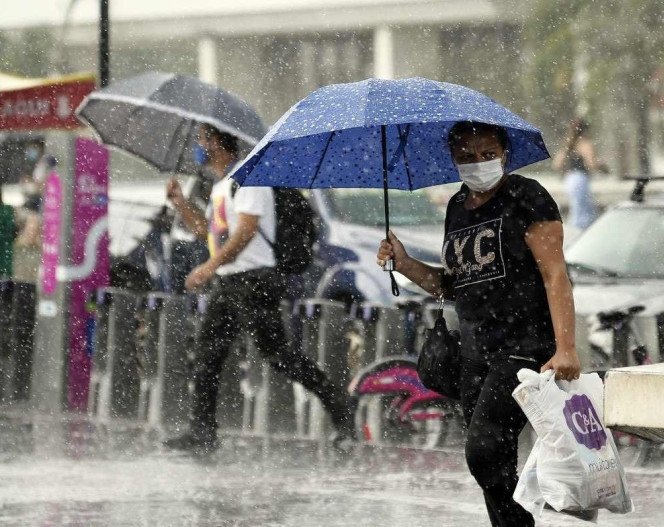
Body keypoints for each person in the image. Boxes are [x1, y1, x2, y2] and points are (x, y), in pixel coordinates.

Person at [377, 121, 580, 527]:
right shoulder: (455, 207)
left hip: (523, 345)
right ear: (452, 160)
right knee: (493, 466)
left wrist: (566, 348)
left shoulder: (527, 197)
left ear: (505, 153)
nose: (478, 163)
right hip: (474, 351)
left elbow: (555, 274)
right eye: (466, 156)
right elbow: (455, 283)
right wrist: (404, 263)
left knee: (483, 450)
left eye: (487, 154)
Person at [163, 123, 355, 452]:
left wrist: (209, 266)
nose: (198, 145)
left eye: (202, 138)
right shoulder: (221, 186)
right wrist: (180, 203)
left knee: (277, 354)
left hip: (256, 281)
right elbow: (207, 233)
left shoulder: (250, 177)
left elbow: (247, 231)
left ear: (217, 142)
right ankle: (203, 432)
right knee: (209, 354)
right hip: (231, 280)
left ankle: (338, 401)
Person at [552, 118, 604, 231]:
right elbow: (591, 164)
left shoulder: (569, 143)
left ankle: (576, 231)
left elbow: (556, 164)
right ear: (585, 130)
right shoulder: (585, 143)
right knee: (584, 212)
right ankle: (581, 234)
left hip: (570, 179)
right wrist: (600, 164)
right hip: (580, 178)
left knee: (577, 209)